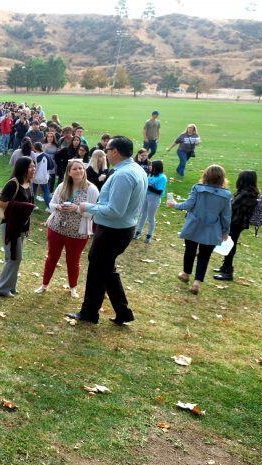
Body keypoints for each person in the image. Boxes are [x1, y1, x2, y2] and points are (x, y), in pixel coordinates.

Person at [66, 136, 147, 325]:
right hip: (120, 229)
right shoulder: (134, 169)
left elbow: (115, 211)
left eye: (108, 149)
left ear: (115, 152)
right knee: (106, 269)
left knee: (97, 270)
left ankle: (89, 313)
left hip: (113, 231)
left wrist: (88, 207)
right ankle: (123, 312)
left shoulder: (123, 175)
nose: (106, 153)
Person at [36, 159, 99, 297]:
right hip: (56, 228)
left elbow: (94, 212)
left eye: (81, 168)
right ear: (69, 172)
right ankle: (44, 285)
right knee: (52, 257)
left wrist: (77, 209)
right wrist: (57, 206)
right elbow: (51, 204)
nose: (78, 171)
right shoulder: (62, 186)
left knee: (73, 260)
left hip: (77, 233)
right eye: (75, 169)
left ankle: (73, 288)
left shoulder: (91, 189)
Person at [167, 164, 231, 294]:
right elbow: (226, 216)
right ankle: (197, 282)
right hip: (212, 229)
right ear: (222, 178)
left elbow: (189, 205)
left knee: (190, 250)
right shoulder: (226, 195)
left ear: (205, 176)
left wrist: (175, 205)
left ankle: (186, 274)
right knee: (204, 256)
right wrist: (225, 232)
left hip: (194, 226)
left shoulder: (198, 188)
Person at [0, 156, 35, 297]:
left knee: (12, 257)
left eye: (34, 166)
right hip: (11, 226)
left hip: (21, 227)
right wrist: (22, 206)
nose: (33, 169)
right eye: (30, 167)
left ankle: (10, 286)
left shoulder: (29, 183)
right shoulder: (13, 184)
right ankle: (2, 289)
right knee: (14, 257)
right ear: (22, 168)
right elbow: (1, 203)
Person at [214, 170, 260, 281]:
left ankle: (228, 272)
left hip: (235, 222)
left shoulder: (245, 194)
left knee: (230, 245)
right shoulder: (252, 192)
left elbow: (232, 206)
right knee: (230, 243)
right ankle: (225, 266)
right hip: (240, 223)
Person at [134, 160, 167, 243]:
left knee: (150, 217)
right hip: (146, 197)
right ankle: (138, 232)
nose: (150, 167)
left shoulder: (162, 177)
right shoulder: (151, 174)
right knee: (143, 214)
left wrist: (147, 186)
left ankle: (149, 235)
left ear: (156, 167)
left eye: (152, 165)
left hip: (154, 198)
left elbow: (159, 191)